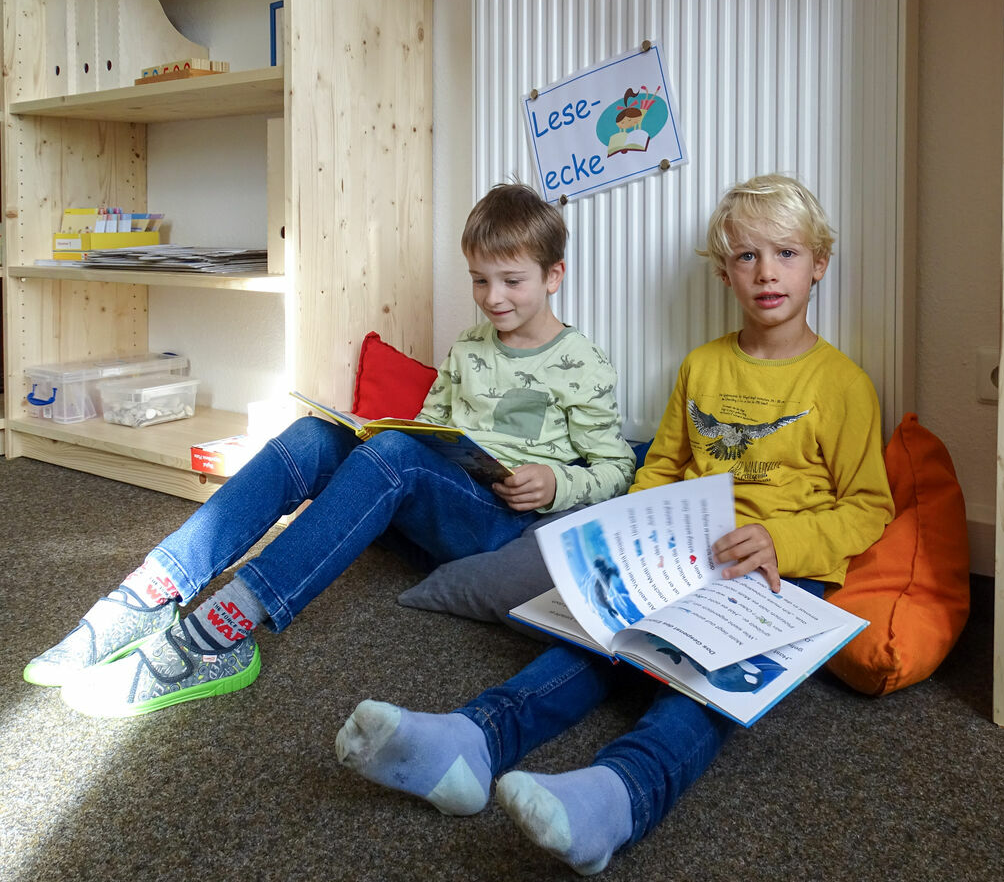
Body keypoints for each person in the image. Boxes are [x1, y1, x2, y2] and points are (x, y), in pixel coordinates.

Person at [335, 173, 895, 875]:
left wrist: (784, 540)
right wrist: (638, 539)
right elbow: (658, 467)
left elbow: (867, 506)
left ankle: (620, 793)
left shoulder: (842, 383)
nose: (766, 273)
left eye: (786, 253)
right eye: (747, 256)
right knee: (594, 639)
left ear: (819, 264)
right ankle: (472, 741)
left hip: (780, 573)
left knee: (701, 686)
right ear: (724, 273)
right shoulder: (702, 366)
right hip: (686, 554)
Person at [27, 183, 636, 717]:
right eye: (479, 280)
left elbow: (617, 467)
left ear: (553, 276)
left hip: (500, 521)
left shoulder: (582, 362)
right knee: (313, 436)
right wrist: (377, 432)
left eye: (512, 281)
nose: (493, 297)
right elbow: (430, 427)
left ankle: (227, 628)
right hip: (432, 500)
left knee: (394, 455)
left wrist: (555, 483)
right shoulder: (470, 347)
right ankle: (156, 589)